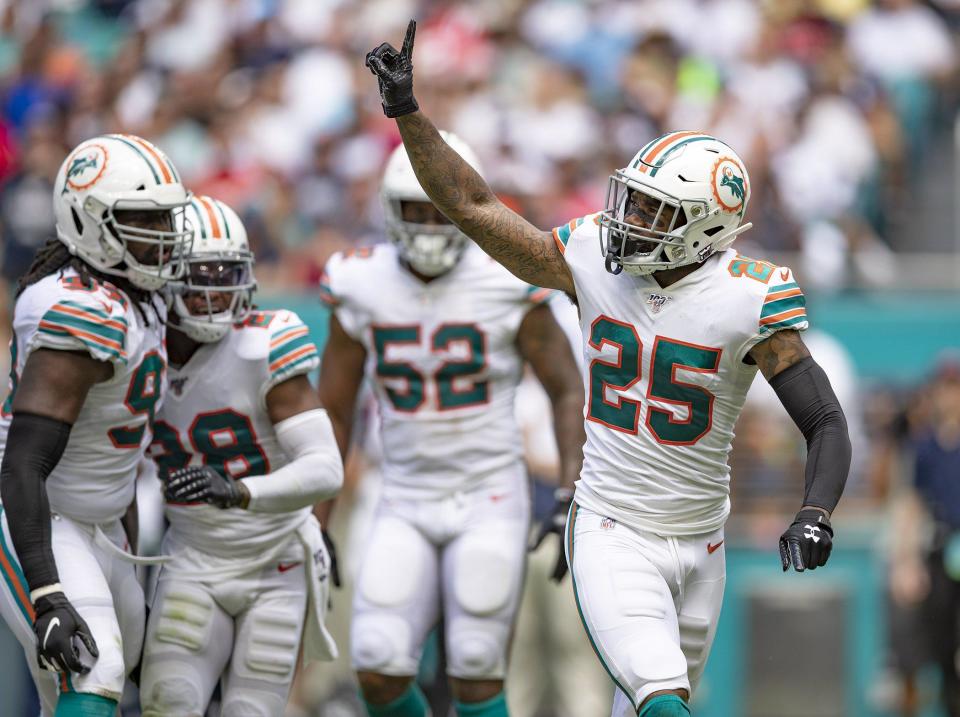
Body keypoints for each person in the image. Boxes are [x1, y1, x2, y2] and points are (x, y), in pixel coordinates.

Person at [365, 23, 852, 717]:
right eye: (635, 199)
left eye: (655, 209)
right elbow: (472, 206)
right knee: (661, 702)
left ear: (707, 227)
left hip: (703, 538)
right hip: (612, 526)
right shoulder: (592, 254)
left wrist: (816, 508)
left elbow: (824, 418)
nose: (630, 218)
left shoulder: (750, 295)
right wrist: (407, 113)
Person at [318, 133, 584, 717]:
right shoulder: (359, 281)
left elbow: (567, 389)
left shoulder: (507, 279)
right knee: (377, 664)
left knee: (476, 668)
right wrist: (320, 519)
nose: (427, 225)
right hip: (403, 494)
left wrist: (569, 493)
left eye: (438, 209)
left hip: (490, 492)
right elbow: (333, 410)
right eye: (412, 210)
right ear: (388, 211)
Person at [0, 133, 193, 717]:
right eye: (142, 221)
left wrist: (128, 542)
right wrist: (46, 590)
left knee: (125, 681)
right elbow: (24, 462)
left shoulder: (138, 294)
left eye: (165, 220)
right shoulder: (84, 309)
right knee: (95, 669)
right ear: (88, 223)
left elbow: (118, 452)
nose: (161, 237)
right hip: (40, 516)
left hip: (105, 525)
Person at [139, 195, 343, 715]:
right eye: (199, 274)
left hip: (276, 557)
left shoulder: (264, 342)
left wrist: (238, 490)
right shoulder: (138, 343)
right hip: (191, 554)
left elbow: (325, 468)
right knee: (169, 701)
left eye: (225, 274)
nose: (214, 291)